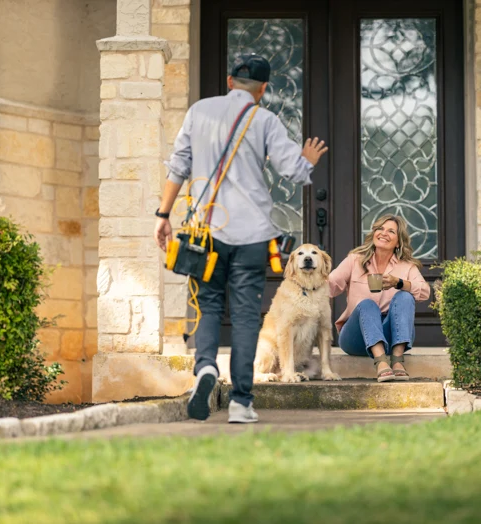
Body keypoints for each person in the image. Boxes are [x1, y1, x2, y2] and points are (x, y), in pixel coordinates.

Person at [155, 54, 328, 423]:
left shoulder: (199, 111)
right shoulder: (265, 119)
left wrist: (163, 214)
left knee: (208, 303)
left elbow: (178, 164)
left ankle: (205, 368)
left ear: (230, 80)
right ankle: (241, 401)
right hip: (252, 236)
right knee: (248, 314)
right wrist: (308, 157)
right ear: (263, 90)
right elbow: (292, 170)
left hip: (207, 233)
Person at [328, 215, 431, 382]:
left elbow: (425, 292)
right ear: (374, 233)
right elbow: (330, 285)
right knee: (367, 304)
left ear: (398, 242)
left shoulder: (407, 267)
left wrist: (398, 283)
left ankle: (397, 361)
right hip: (356, 337)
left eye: (391, 231)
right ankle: (381, 362)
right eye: (380, 229)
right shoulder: (355, 260)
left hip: (393, 336)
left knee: (405, 295)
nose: (384, 233)